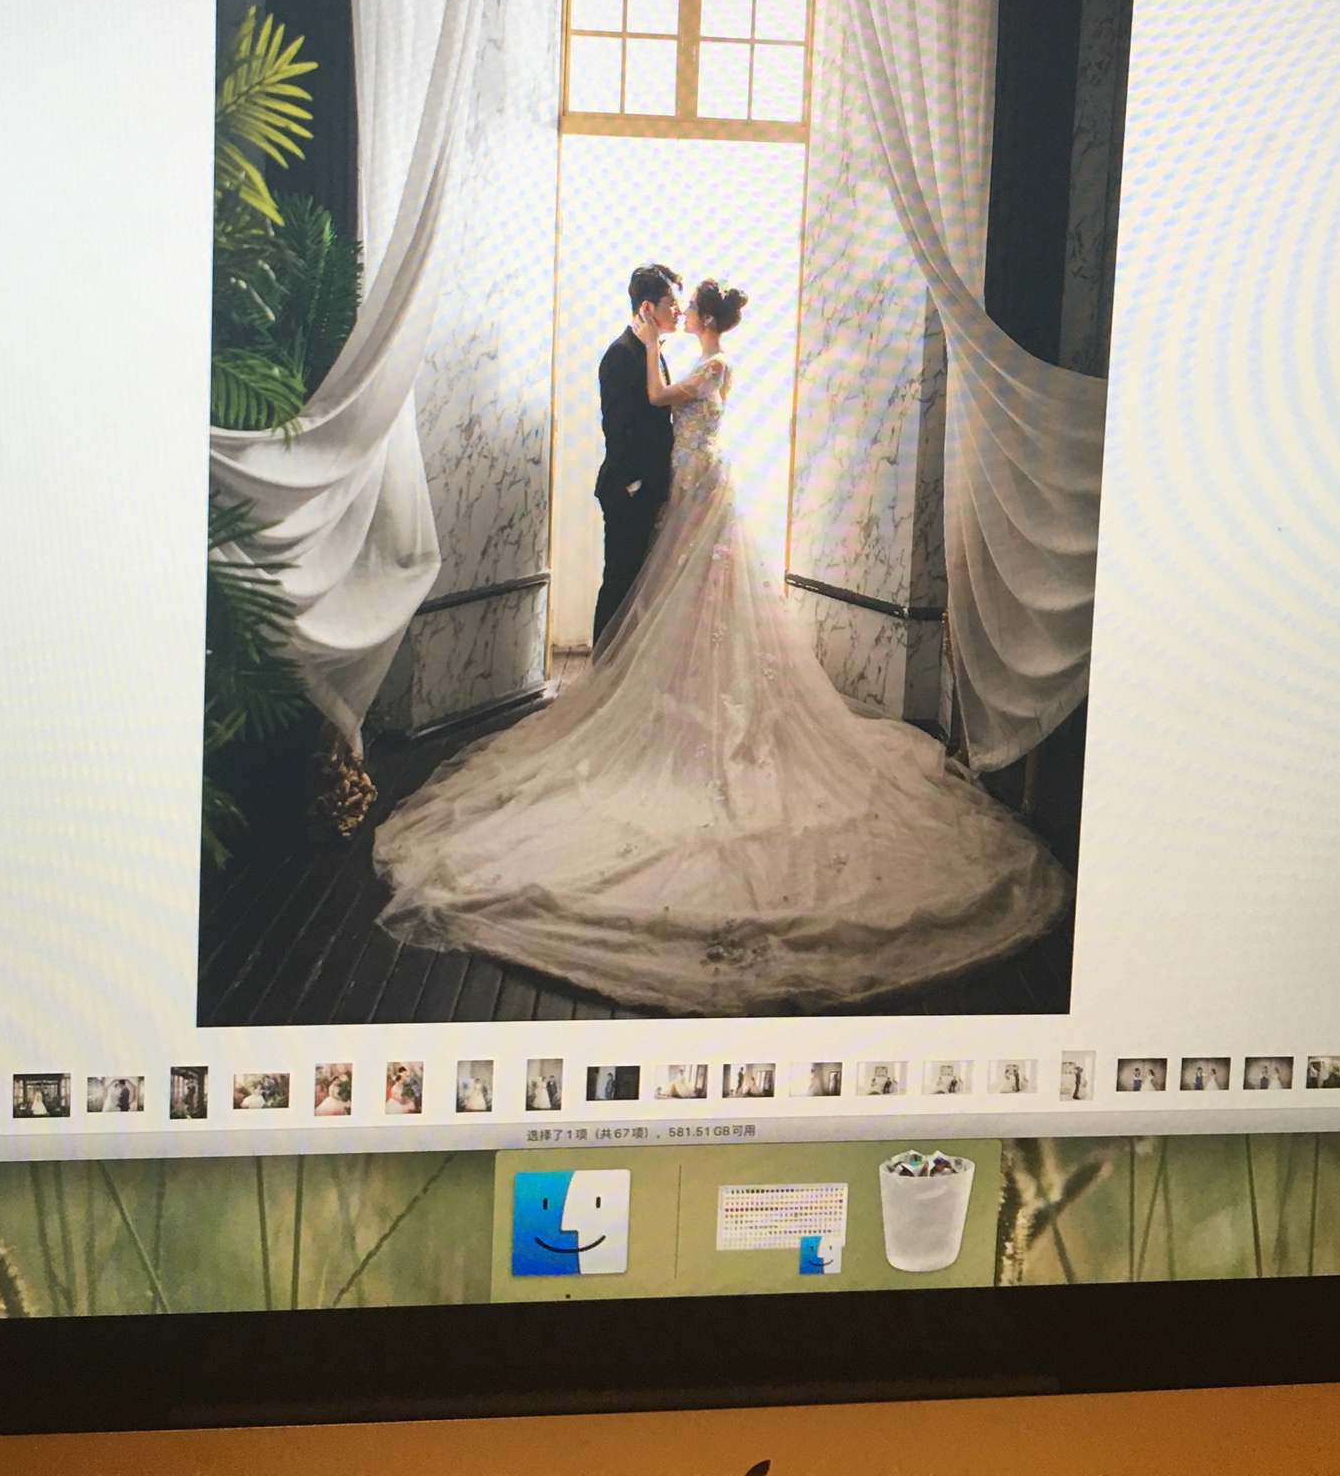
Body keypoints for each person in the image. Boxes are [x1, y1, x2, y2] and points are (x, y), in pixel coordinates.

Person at [374, 278, 1068, 1014]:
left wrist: (653, 349)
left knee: (688, 592)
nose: (678, 314)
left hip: (697, 483)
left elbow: (659, 403)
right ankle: (635, 683)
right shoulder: (648, 356)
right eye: (669, 306)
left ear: (701, 317)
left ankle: (664, 690)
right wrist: (647, 375)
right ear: (658, 307)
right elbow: (635, 417)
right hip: (668, 485)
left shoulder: (707, 364)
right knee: (650, 590)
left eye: (685, 307)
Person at [592, 261, 681, 645]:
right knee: (620, 581)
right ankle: (601, 669)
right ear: (647, 307)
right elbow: (617, 428)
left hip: (650, 489)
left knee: (640, 586)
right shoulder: (621, 354)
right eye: (671, 303)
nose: (678, 311)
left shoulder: (650, 350)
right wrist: (635, 484)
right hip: (628, 492)